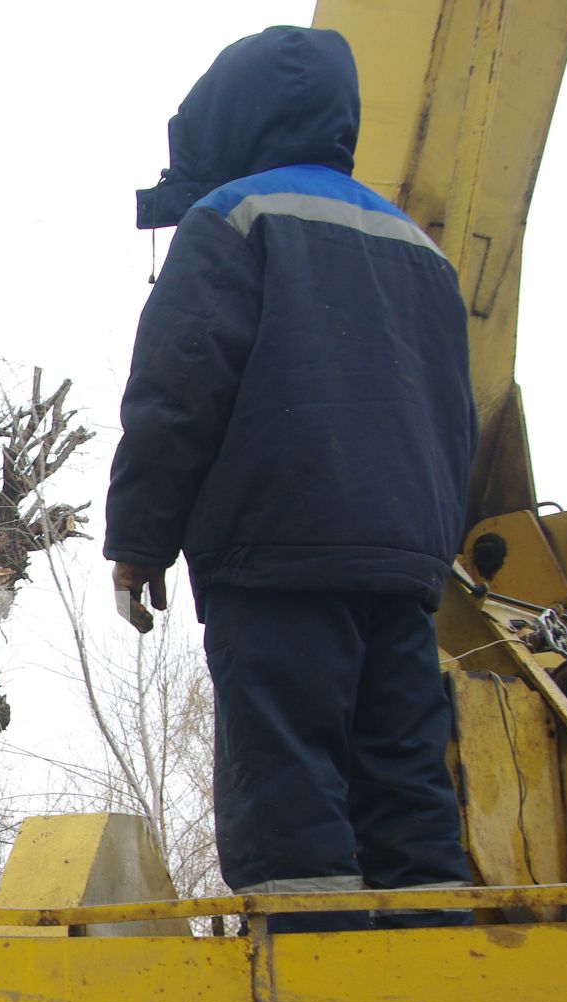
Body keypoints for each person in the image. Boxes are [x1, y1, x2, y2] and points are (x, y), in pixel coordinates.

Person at [104, 26, 476, 933]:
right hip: (400, 564)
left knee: (289, 783)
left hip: (274, 552)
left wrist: (138, 543)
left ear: (229, 119)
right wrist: (427, 547)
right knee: (406, 782)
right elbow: (452, 416)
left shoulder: (232, 218)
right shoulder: (420, 250)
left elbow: (177, 394)